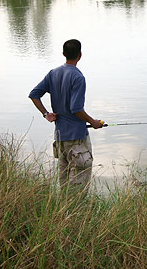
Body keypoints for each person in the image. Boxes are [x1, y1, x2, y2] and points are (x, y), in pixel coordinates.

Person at [29, 39, 104, 190]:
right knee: (78, 188)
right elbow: (76, 109)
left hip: (60, 138)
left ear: (63, 54)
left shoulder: (53, 73)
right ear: (80, 55)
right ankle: (76, 213)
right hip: (77, 139)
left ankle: (63, 212)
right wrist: (93, 122)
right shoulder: (78, 77)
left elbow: (34, 95)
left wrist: (46, 114)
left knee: (64, 185)